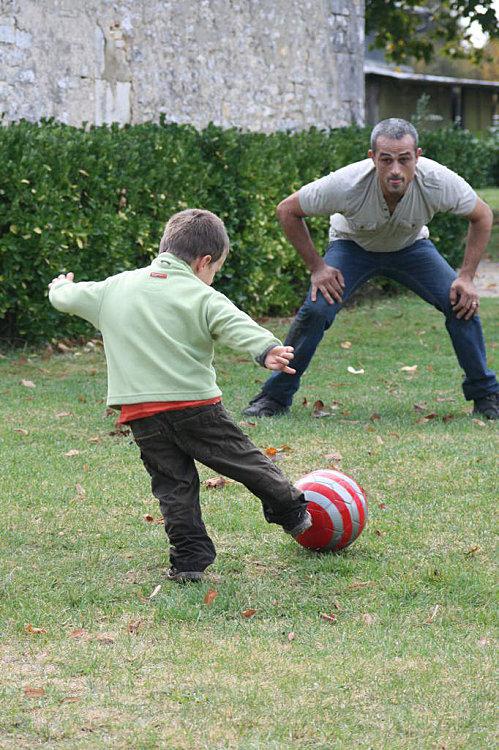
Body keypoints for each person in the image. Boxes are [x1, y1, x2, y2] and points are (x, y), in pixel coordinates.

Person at [48, 209, 311, 582]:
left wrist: (59, 286)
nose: (211, 277)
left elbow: (68, 297)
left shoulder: (114, 287)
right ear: (204, 261)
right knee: (243, 460)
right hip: (195, 405)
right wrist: (266, 348)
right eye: (214, 269)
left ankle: (189, 561)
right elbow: (232, 320)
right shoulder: (199, 293)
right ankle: (292, 511)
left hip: (141, 412)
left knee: (173, 486)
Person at [244, 118, 498, 420]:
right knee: (316, 310)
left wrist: (467, 277)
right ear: (371, 158)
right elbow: (287, 210)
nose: (395, 169)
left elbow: (482, 215)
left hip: (411, 248)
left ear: (418, 156)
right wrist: (318, 267)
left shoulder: (438, 181)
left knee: (461, 303)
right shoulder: (347, 183)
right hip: (352, 246)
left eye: (404, 159)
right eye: (386, 159)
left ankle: (486, 396)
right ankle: (274, 397)